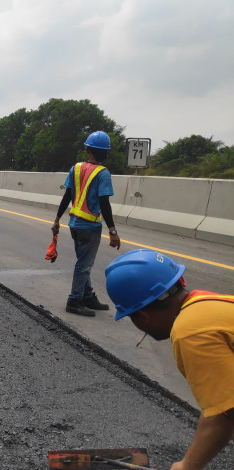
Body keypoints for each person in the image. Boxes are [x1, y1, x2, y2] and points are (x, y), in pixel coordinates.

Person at [105, 249, 234, 470]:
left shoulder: (189, 331)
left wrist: (187, 466)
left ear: (142, 316)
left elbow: (226, 415)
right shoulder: (207, 303)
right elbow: (220, 405)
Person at [51, 130, 121, 317]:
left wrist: (57, 219)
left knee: (84, 261)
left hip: (74, 224)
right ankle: (74, 300)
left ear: (88, 149)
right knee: (84, 265)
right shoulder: (103, 173)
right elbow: (104, 204)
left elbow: (67, 195)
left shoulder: (76, 168)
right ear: (106, 152)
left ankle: (87, 296)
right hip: (90, 227)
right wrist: (112, 231)